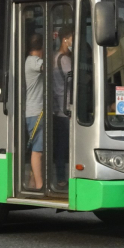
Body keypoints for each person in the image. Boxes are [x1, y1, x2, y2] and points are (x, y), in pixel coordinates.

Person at [52, 27, 72, 188]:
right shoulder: (64, 59)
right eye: (72, 38)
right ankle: (62, 177)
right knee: (64, 146)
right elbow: (72, 79)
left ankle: (60, 177)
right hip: (66, 107)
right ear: (65, 39)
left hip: (59, 107)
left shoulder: (55, 57)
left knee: (60, 145)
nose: (73, 42)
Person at [25, 34, 45, 191]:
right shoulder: (33, 62)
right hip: (35, 112)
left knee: (39, 149)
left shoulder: (29, 61)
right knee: (37, 151)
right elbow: (49, 66)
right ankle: (39, 185)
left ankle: (34, 181)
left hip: (34, 111)